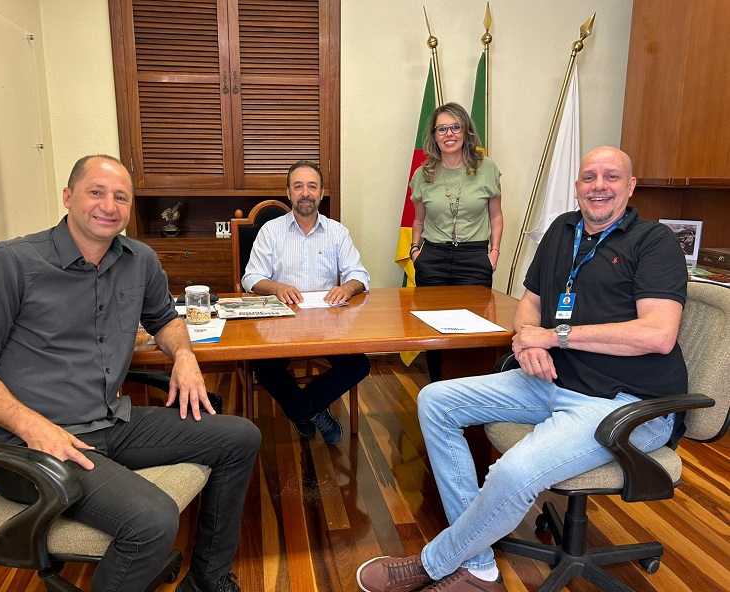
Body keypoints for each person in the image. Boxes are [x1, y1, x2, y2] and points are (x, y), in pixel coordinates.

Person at [356, 146, 688, 592]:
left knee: (512, 471)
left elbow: (658, 334)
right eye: (589, 177)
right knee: (436, 400)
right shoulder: (561, 230)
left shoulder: (654, 241)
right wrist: (526, 341)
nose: (599, 186)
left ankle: (434, 563)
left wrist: (553, 337)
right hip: (550, 379)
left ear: (630, 186)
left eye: (612, 177)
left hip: (625, 404)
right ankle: (477, 563)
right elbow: (529, 305)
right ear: (577, 187)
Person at [0, 155, 261, 592]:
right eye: (96, 192)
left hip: (110, 420)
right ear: (68, 197)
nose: (109, 205)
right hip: (33, 445)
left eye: (121, 197)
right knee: (153, 518)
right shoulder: (10, 263)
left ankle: (208, 581)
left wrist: (183, 355)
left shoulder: (139, 259)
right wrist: (32, 426)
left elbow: (164, 318)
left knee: (240, 436)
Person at [241, 160, 371, 445]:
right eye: (298, 186)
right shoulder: (271, 231)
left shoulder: (338, 232)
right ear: (288, 193)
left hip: (328, 323)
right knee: (264, 367)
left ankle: (303, 410)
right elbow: (250, 277)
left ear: (321, 193)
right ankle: (315, 412)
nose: (305, 193)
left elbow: (359, 275)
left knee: (359, 365)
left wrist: (348, 288)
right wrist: (275, 287)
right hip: (280, 322)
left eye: (312, 186)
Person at [409, 102, 504, 382]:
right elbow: (418, 221)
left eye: (455, 127)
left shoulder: (487, 168)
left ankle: (471, 391)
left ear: (465, 131)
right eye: (442, 129)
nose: (449, 134)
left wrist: (494, 252)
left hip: (474, 258)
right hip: (433, 259)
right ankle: (438, 388)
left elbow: (496, 216)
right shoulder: (423, 173)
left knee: (473, 329)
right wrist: (416, 252)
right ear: (434, 135)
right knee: (434, 329)